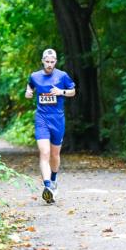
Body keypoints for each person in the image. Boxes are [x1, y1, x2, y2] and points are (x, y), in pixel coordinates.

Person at [25, 49, 76, 204]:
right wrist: (28, 92)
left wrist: (61, 91)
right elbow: (30, 86)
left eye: (52, 61)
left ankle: (53, 179)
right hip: (42, 118)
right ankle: (47, 186)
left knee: (54, 155)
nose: (49, 64)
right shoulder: (35, 76)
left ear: (55, 61)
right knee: (44, 153)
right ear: (42, 61)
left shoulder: (62, 76)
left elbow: (73, 91)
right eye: (47, 62)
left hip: (57, 119)